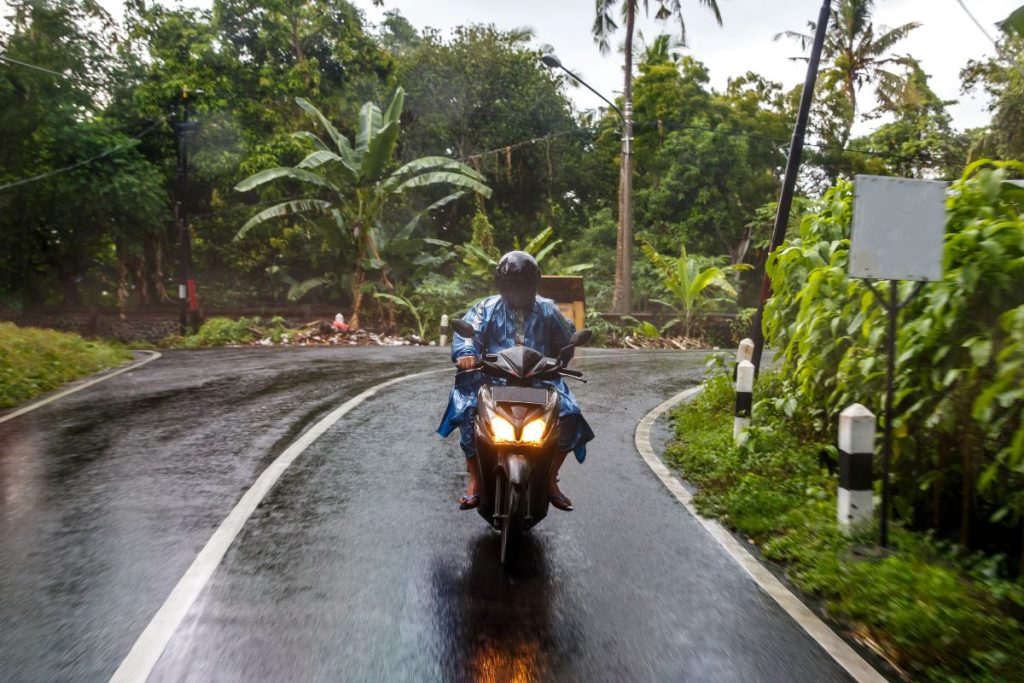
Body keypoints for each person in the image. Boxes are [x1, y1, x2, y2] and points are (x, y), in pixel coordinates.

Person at [436, 251, 594, 512]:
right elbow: (468, 334)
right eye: (513, 284)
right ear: (501, 284)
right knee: (466, 410)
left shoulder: (548, 310)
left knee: (570, 414)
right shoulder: (486, 308)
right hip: (491, 379)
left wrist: (564, 354)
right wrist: (466, 354)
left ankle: (551, 478)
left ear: (534, 284)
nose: (518, 290)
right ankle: (475, 480)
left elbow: (566, 339)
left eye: (524, 284)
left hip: (540, 381)